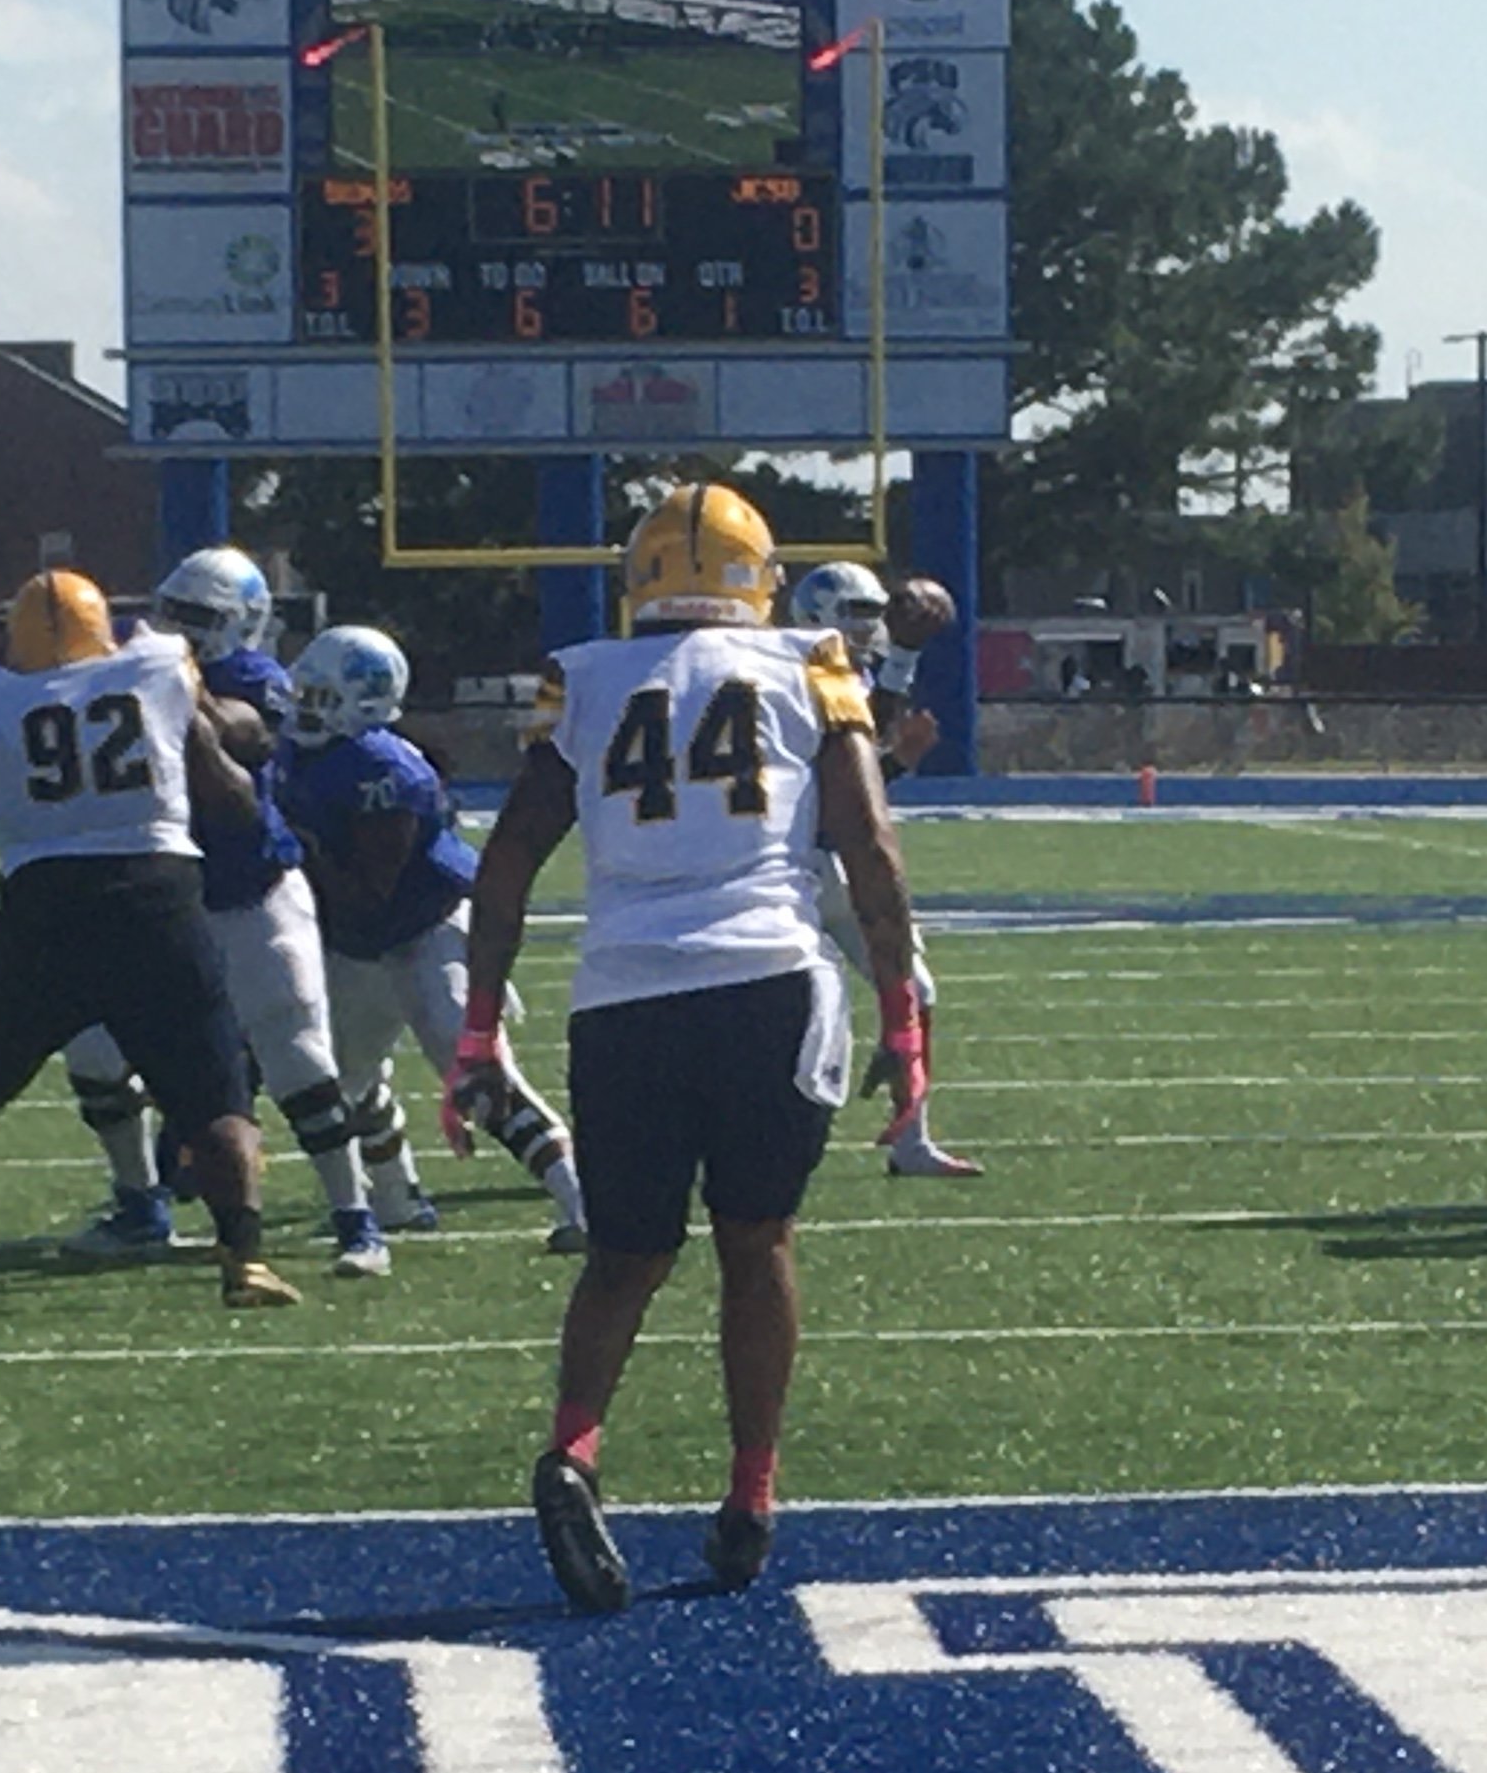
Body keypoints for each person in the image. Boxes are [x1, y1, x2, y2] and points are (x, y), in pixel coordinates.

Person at [459, 479, 930, 1612]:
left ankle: (574, 1448)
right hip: (766, 981)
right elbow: (868, 846)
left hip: (623, 994)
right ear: (759, 578)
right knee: (757, 1243)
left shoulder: (583, 677)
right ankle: (751, 1493)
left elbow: (509, 859)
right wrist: (905, 1017)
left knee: (625, 1255)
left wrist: (476, 1028)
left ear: (640, 580)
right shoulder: (811, 663)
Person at [0, 569, 297, 1311]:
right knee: (217, 1095)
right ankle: (245, 1257)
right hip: (155, 897)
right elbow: (234, 780)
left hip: (42, 908)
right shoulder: (158, 665)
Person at [57, 544, 394, 1279]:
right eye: (172, 609)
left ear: (242, 623)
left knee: (298, 1059)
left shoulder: (255, 676)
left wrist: (176, 683)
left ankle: (356, 1219)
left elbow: (250, 733)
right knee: (94, 1051)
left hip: (252, 893)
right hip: (160, 900)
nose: (178, 625)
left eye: (198, 616)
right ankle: (140, 1205)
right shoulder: (130, 666)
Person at [280, 622, 586, 1255]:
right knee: (345, 1080)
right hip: (357, 943)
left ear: (362, 705)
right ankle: (395, 1198)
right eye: (303, 693)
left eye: (321, 698)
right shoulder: (297, 753)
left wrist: (296, 852)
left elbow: (372, 890)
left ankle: (584, 1205)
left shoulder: (383, 770)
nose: (303, 709)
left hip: (428, 928)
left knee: (480, 1075)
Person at [791, 559, 979, 1179]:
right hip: (785, 867)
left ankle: (911, 1140)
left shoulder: (857, 676)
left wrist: (898, 760)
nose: (869, 626)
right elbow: (838, 776)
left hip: (838, 863)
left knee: (917, 991)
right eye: (858, 614)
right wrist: (904, 658)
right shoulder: (791, 677)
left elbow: (857, 783)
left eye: (875, 614)